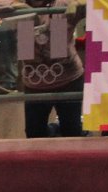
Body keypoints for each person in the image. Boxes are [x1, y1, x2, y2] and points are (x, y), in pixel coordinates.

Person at [17, 0, 84, 138]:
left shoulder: (61, 4)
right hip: (34, 84)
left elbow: (102, 3)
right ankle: (53, 129)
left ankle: (57, 129)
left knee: (71, 132)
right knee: (33, 134)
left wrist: (78, 3)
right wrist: (20, 7)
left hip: (68, 80)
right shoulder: (20, 6)